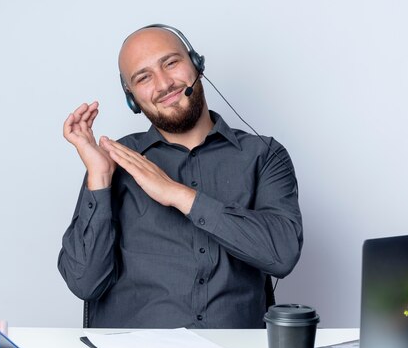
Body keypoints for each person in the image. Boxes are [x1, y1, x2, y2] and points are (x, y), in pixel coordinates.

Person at [58, 24, 303, 328]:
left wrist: (178, 194)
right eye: (143, 77)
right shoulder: (114, 160)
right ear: (132, 98)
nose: (164, 84)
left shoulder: (264, 155)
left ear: (196, 64)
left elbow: (282, 255)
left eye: (171, 63)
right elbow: (84, 282)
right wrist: (99, 178)